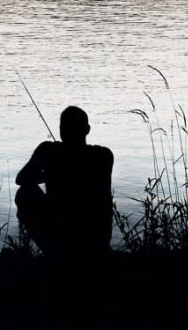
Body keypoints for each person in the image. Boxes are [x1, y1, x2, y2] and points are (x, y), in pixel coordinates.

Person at [15, 106, 114, 257]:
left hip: (61, 231)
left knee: (24, 193)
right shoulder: (103, 155)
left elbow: (22, 179)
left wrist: (50, 172)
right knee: (25, 192)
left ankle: (53, 252)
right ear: (87, 129)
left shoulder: (48, 151)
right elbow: (21, 179)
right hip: (97, 236)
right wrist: (53, 172)